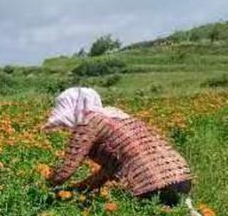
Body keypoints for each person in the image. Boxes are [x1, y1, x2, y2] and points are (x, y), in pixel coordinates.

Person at [44, 87, 191, 204]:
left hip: (151, 182)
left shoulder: (88, 122)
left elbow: (66, 170)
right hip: (182, 177)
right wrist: (78, 189)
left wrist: (42, 189)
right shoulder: (117, 116)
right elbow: (109, 170)